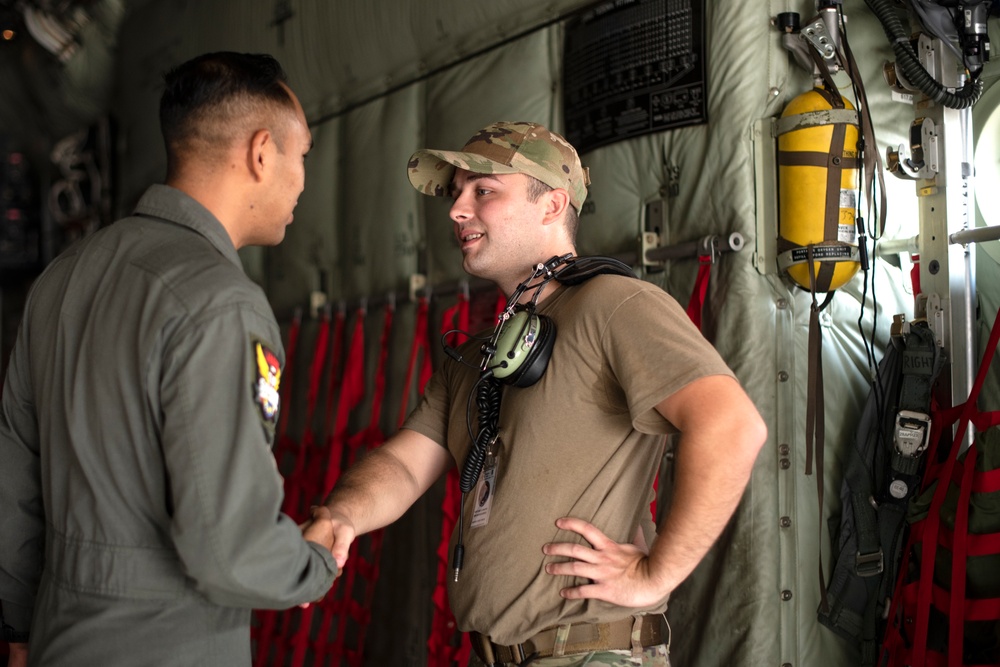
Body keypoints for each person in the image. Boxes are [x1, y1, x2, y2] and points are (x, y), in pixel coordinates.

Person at [310, 120, 767, 666]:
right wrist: (341, 517)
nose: (457, 210)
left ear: (551, 206)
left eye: (483, 191)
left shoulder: (614, 304)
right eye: (456, 194)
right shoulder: (479, 355)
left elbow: (732, 425)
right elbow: (406, 465)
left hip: (586, 654)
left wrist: (655, 575)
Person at [0, 52, 337, 667]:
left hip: (56, 636)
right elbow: (229, 546)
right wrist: (313, 563)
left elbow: (14, 477)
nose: (303, 180)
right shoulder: (221, 304)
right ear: (262, 153)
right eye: (303, 155)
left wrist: (18, 628)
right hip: (166, 642)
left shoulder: (60, 280)